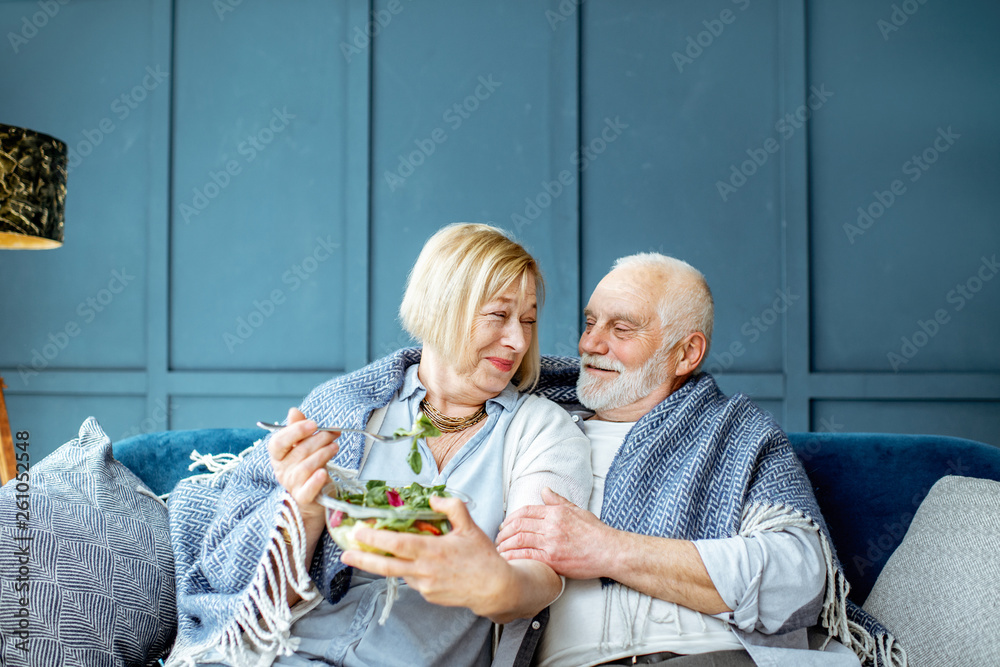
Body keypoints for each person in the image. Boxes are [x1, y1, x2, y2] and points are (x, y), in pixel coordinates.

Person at [165, 223, 592, 667]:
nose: (519, 341)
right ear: (441, 309)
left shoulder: (543, 431)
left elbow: (541, 575)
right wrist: (306, 507)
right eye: (498, 316)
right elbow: (263, 604)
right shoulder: (350, 411)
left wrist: (494, 582)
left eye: (528, 320)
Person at [496, 253, 904, 667]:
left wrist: (607, 549)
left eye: (620, 328)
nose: (590, 344)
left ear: (686, 353)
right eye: (589, 322)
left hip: (717, 656)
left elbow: (795, 580)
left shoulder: (737, 435)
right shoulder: (537, 429)